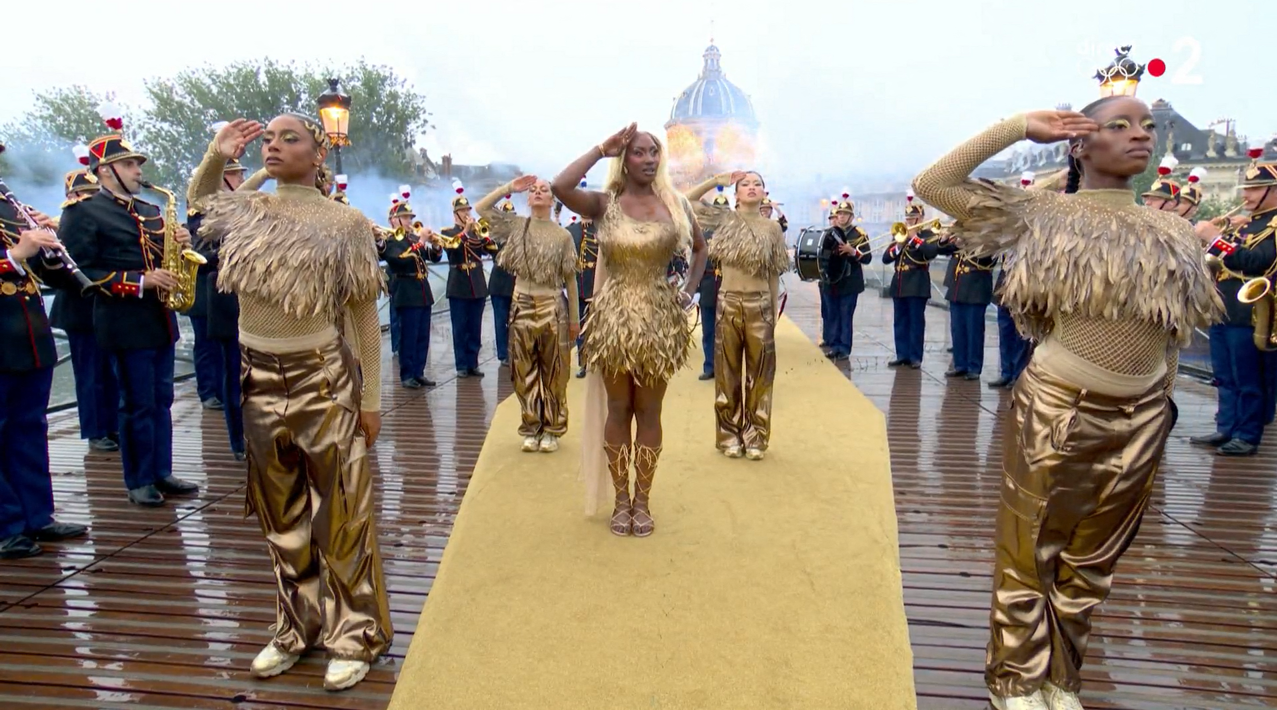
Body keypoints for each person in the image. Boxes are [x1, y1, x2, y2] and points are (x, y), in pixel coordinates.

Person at [913, 97, 1220, 710]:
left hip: (1145, 416)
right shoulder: (1041, 214)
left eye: (1147, 127)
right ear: (1080, 144)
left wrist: (1158, 393)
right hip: (1060, 406)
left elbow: (1169, 330)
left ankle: (1060, 679)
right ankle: (1015, 680)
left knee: (1093, 564)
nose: (1140, 136)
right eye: (1120, 125)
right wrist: (1016, 127)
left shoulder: (1177, 231)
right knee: (1031, 551)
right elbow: (932, 184)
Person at [191, 116, 392, 691]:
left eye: (290, 139)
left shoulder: (345, 222)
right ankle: (296, 626)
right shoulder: (249, 210)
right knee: (281, 515)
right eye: (269, 139)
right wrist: (220, 152)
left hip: (321, 378)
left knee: (341, 512)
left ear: (319, 154)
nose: (275, 146)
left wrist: (371, 398)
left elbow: (360, 317)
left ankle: (355, 634)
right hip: (256, 377)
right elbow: (203, 202)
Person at [551, 124, 707, 538]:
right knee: (619, 409)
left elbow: (700, 250)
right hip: (614, 320)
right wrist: (601, 148)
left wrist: (689, 291)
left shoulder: (675, 205)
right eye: (639, 152)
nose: (649, 159)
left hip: (659, 322)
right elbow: (560, 185)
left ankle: (643, 500)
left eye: (654, 152)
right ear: (625, 158)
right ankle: (621, 499)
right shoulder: (606, 204)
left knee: (650, 412)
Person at [60, 130, 201, 506]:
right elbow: (80, 271)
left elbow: (161, 255)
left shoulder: (152, 211)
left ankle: (161, 470)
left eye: (137, 164)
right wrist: (139, 281)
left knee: (161, 398)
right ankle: (139, 480)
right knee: (136, 401)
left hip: (160, 319)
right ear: (105, 171)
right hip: (122, 320)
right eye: (128, 164)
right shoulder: (83, 212)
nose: (138, 171)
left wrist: (182, 244)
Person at [0, 150, 90, 559]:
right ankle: (6, 526)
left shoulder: (9, 203)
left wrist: (53, 243)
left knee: (29, 430)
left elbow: (43, 271)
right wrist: (15, 256)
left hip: (28, 338)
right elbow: (14, 259)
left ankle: (37, 515)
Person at [686, 171, 789, 460]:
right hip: (728, 302)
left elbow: (773, 273)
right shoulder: (723, 219)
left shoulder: (772, 229)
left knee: (760, 375)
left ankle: (756, 436)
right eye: (746, 184)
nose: (752, 188)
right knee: (727, 373)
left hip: (760, 304)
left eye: (757, 184)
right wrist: (715, 180)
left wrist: (772, 310)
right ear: (736, 192)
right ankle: (728, 435)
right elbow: (688, 201)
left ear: (764, 192)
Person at [475, 176, 580, 452]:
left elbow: (571, 280)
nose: (537, 193)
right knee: (523, 371)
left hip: (552, 306)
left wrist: (574, 319)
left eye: (543, 190)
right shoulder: (517, 226)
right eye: (533, 190)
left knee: (554, 372)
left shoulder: (563, 236)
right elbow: (481, 209)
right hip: (521, 303)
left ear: (552, 199)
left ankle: (553, 430)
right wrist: (509, 188)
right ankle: (531, 427)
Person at [1192, 155, 1277, 457]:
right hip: (1224, 308)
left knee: (1249, 379)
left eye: (1255, 189)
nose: (1245, 195)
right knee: (1225, 375)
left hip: (1251, 314)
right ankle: (1226, 426)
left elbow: (1255, 262)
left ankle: (1246, 434)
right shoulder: (1249, 223)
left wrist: (1215, 239)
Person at [50, 164, 120, 453]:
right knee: (90, 374)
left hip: (104, 307)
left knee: (110, 372)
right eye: (88, 194)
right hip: (80, 309)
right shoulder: (70, 217)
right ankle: (95, 429)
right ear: (75, 194)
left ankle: (112, 424)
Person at [188, 143, 252, 459]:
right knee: (233, 374)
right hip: (225, 298)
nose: (242, 179)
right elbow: (200, 255)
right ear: (224, 178)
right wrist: (236, 252)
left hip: (254, 300)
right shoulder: (201, 212)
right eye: (237, 174)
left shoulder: (250, 208)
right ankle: (238, 440)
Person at [380, 193, 442, 389]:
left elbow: (432, 257)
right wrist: (421, 241)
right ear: (394, 220)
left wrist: (436, 245)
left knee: (423, 335)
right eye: (406, 218)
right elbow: (400, 259)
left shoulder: (413, 238)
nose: (410, 221)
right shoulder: (390, 240)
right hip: (406, 291)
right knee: (409, 335)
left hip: (422, 290)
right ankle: (407, 374)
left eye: (410, 218)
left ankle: (419, 372)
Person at [440, 188, 497, 378]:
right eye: (463, 211)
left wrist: (484, 236)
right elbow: (453, 250)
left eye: (468, 210)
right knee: (460, 328)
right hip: (459, 285)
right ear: (456, 213)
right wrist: (465, 231)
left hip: (477, 285)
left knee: (475, 327)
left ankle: (473, 363)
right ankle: (462, 365)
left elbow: (490, 251)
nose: (467, 214)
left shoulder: (475, 233)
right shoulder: (448, 232)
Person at [883, 195, 940, 368]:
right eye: (907, 219)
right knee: (900, 321)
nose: (908, 222)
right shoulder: (900, 236)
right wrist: (899, 245)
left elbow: (931, 252)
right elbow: (886, 258)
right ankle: (902, 354)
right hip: (899, 283)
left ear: (921, 219)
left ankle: (915, 357)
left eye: (912, 219)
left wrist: (915, 239)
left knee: (916, 322)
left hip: (917, 283)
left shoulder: (928, 235)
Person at [937, 229, 996, 380]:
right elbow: (941, 250)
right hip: (958, 289)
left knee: (974, 331)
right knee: (958, 330)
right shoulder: (959, 238)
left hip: (975, 289)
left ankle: (974, 367)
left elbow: (987, 259)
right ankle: (960, 365)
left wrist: (969, 243)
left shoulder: (988, 236)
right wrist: (945, 238)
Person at [818, 199, 872, 361]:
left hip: (849, 281)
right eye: (839, 214)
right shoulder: (829, 233)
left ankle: (844, 348)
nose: (841, 217)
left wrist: (852, 251)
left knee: (845, 315)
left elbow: (867, 258)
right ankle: (834, 346)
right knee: (832, 315)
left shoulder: (859, 235)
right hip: (831, 281)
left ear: (851, 217)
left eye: (845, 214)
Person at [696, 188, 730, 380]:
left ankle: (727, 367)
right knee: (708, 330)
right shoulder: (703, 233)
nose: (721, 212)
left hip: (729, 286)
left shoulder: (734, 233)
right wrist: (696, 289)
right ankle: (710, 366)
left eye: (724, 209)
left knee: (728, 331)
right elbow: (697, 261)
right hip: (708, 285)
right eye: (718, 209)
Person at [567, 210, 599, 378]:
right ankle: (584, 363)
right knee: (581, 328)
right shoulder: (571, 231)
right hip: (578, 288)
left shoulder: (601, 229)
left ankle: (600, 361)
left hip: (598, 287)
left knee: (599, 327)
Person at [488, 195, 516, 367]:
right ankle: (502, 354)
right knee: (500, 321)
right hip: (499, 284)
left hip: (515, 283)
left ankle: (514, 349)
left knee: (515, 320)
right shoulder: (494, 236)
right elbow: (493, 253)